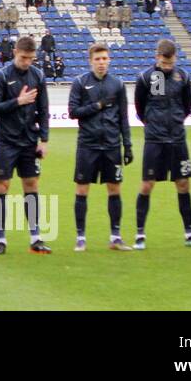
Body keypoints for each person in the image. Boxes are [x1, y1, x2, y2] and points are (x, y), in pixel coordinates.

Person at [134, 38, 191, 249]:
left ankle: (190, 234)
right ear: (157, 57)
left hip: (177, 139)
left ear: (175, 58)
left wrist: (174, 123)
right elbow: (140, 107)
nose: (167, 67)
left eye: (170, 63)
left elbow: (187, 106)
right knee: (147, 184)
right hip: (155, 139)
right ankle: (140, 235)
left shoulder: (182, 76)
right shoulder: (146, 78)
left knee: (183, 183)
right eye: (164, 63)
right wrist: (153, 124)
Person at [0, 35, 52, 255]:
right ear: (15, 52)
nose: (27, 62)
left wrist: (44, 139)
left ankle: (36, 237)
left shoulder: (38, 76)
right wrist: (18, 102)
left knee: (31, 185)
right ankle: (1, 239)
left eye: (31, 58)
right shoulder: (2, 76)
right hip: (6, 140)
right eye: (24, 57)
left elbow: (43, 110)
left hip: (28, 141)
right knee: (1, 187)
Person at [67, 43, 133, 252]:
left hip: (112, 145)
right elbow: (73, 112)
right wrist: (98, 106)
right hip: (88, 145)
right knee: (82, 189)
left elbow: (123, 117)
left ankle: (115, 236)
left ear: (109, 60)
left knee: (114, 188)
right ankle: (80, 237)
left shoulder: (118, 84)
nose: (102, 63)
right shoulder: (80, 83)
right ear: (91, 61)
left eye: (105, 58)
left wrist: (128, 145)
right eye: (98, 59)